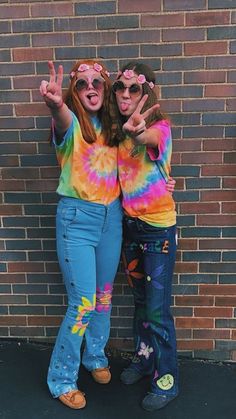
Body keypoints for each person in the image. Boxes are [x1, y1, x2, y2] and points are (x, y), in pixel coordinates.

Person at [39, 59, 123, 409]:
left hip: (112, 218)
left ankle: (95, 357)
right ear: (74, 91)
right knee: (83, 303)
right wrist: (57, 105)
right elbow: (60, 120)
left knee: (103, 296)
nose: (91, 87)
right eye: (83, 84)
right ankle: (61, 379)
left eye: (97, 83)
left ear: (105, 88)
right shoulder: (71, 123)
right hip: (78, 220)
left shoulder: (115, 129)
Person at [110, 61, 179, 412]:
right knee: (141, 304)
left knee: (157, 309)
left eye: (133, 89)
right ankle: (143, 358)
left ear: (147, 92)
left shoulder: (160, 128)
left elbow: (147, 137)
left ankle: (165, 380)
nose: (125, 94)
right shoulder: (117, 133)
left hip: (157, 230)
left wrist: (138, 130)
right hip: (131, 228)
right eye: (119, 88)